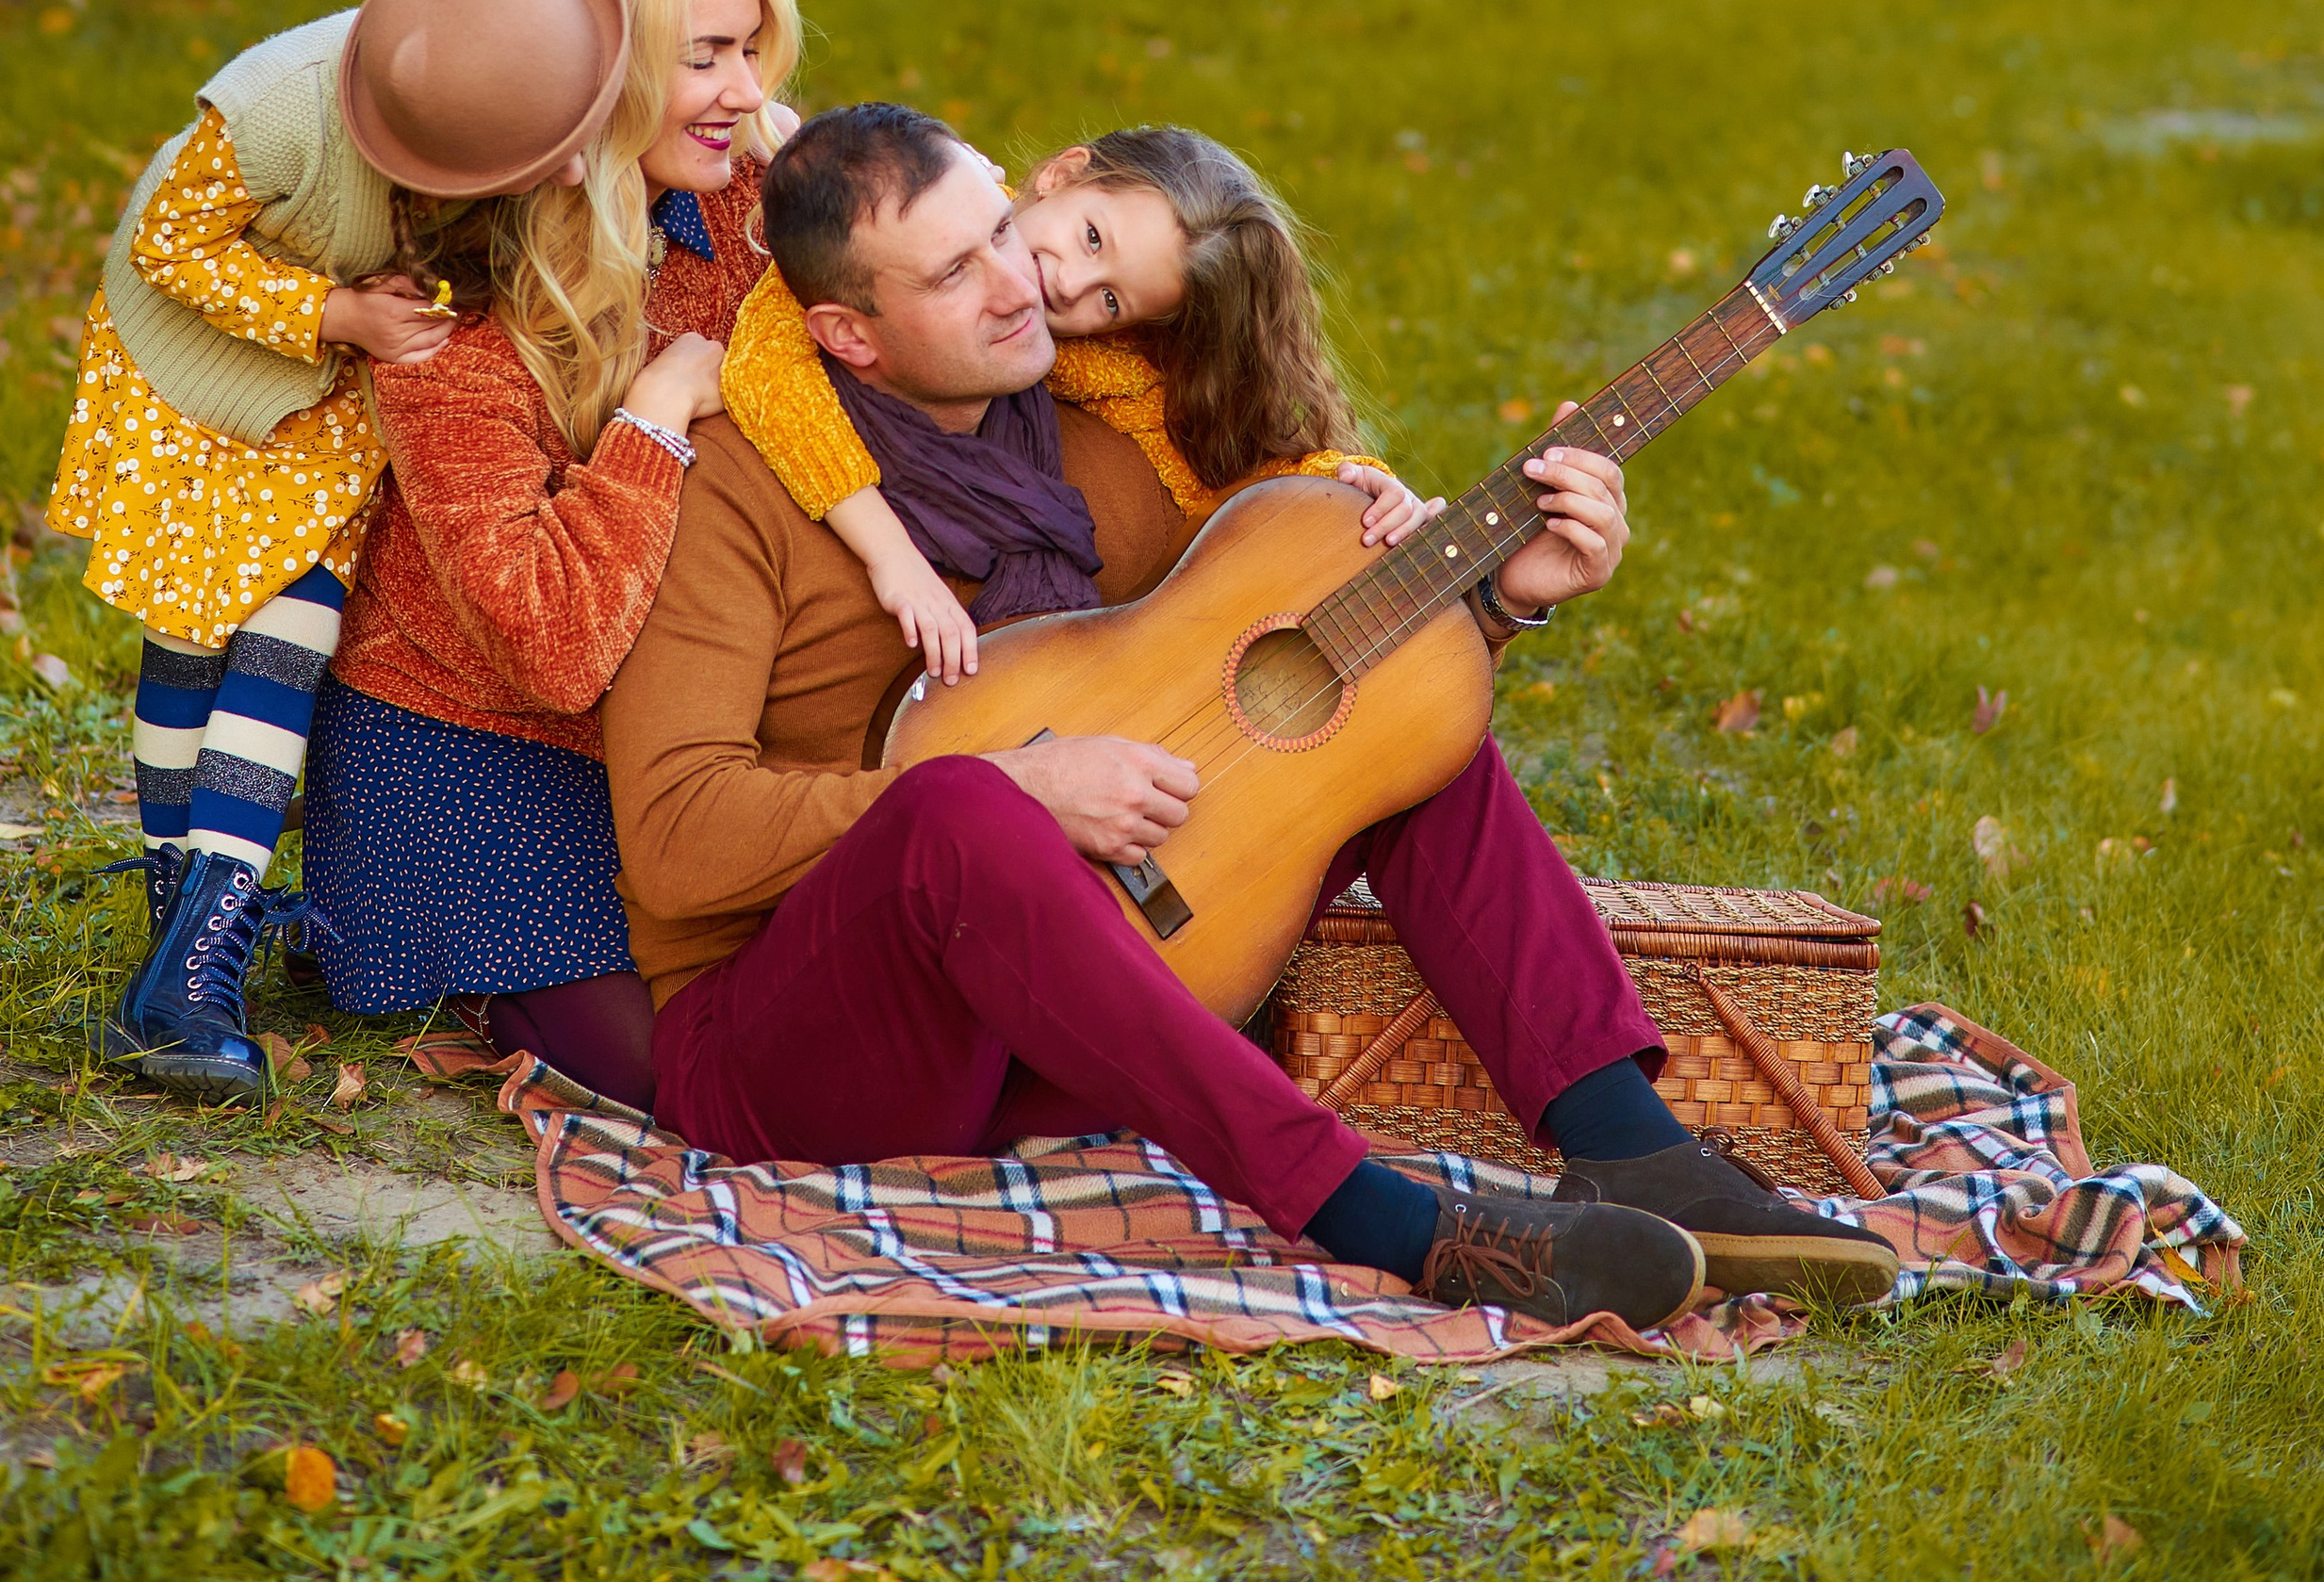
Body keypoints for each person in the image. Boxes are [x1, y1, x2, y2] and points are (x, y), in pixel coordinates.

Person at [603, 104, 1899, 1326]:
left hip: (1061, 1020)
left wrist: (1502, 596)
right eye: (952, 274)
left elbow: (1251, 669)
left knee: (1397, 721)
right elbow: (670, 834)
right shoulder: (738, 488)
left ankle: (1630, 1142)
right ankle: (1384, 1218)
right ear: (849, 334)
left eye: (1002, 228)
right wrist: (1019, 791)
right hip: (801, 1049)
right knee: (961, 802)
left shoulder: (1094, 443)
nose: (1019, 284)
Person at [52, 0, 631, 1099]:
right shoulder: (274, 112)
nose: (573, 169)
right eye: (543, 155)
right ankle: (182, 942)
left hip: (324, 380)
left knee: (291, 630)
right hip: (197, 372)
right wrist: (332, 315)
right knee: (196, 630)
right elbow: (168, 247)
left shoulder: (495, 50)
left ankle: (186, 967)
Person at [299, 0, 796, 1113]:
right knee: (703, 1075)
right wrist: (661, 406)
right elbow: (552, 646)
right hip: (473, 743)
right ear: (597, 78)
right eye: (709, 56)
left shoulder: (743, 200)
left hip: (687, 716)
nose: (749, 89)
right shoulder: (445, 319)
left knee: (836, 977)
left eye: (755, 47)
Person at [722, 122, 1432, 677]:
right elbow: (764, 362)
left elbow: (1196, 471)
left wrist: (1333, 486)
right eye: (1090, 236)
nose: (1068, 286)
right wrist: (890, 554)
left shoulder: (1082, 355)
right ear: (1061, 173)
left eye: (1112, 297)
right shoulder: (922, 223)